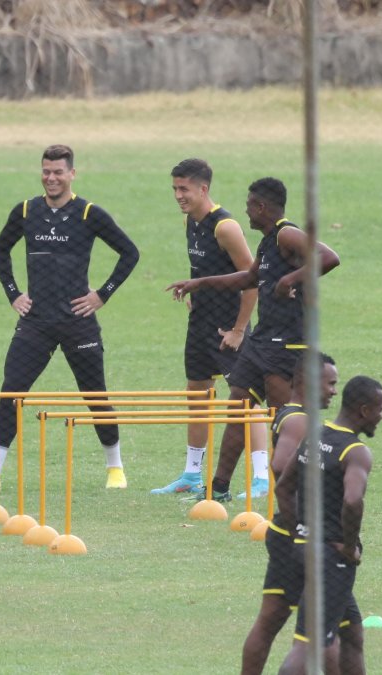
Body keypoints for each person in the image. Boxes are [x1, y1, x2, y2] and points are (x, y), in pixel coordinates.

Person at [0, 144, 140, 494]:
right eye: (46, 171)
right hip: (36, 323)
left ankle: (115, 468)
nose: (51, 178)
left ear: (72, 174)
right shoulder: (26, 211)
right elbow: (1, 250)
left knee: (95, 394)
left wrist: (101, 295)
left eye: (58, 172)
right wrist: (14, 294)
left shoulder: (89, 213)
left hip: (78, 322)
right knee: (11, 392)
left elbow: (129, 253)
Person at [166, 177, 340, 502]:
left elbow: (329, 256)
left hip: (287, 344)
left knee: (284, 420)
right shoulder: (268, 242)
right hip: (261, 342)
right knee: (238, 408)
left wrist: (290, 279)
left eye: (249, 205)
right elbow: (249, 277)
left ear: (261, 207)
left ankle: (298, 495)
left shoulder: (287, 234)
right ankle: (218, 489)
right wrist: (199, 283)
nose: (246, 211)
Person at [152, 158, 263, 495]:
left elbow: (253, 280)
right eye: (175, 188)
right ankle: (191, 475)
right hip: (200, 323)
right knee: (197, 393)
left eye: (184, 189)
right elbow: (206, 270)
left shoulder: (225, 227)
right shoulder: (191, 221)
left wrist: (239, 330)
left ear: (203, 189)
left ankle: (261, 478)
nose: (178, 195)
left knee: (246, 400)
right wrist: (195, 294)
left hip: (228, 328)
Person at [276, 375, 382, 675]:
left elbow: (283, 488)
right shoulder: (355, 451)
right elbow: (352, 500)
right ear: (364, 410)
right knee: (307, 647)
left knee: (352, 633)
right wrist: (348, 546)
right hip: (331, 560)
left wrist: (300, 533)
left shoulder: (315, 436)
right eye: (379, 409)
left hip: (305, 552)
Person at [240, 353, 338, 674]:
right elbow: (281, 466)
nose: (334, 391)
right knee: (329, 629)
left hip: (286, 532)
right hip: (298, 536)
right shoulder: (299, 421)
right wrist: (303, 529)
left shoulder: (292, 415)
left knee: (270, 620)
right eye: (329, 383)